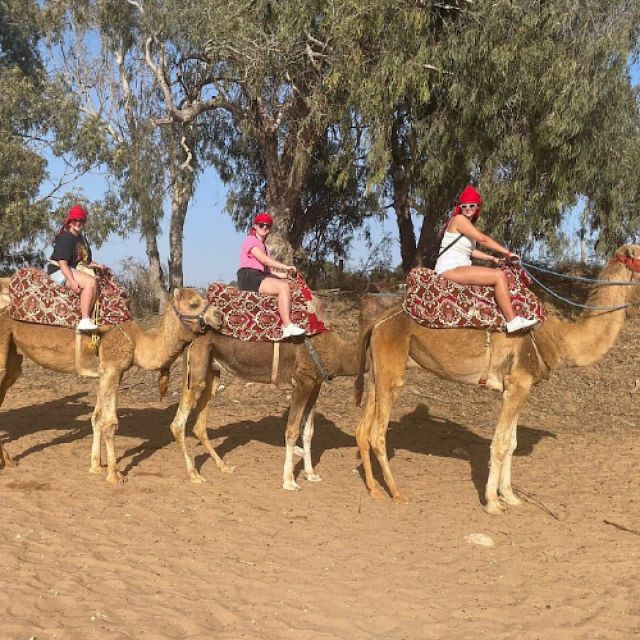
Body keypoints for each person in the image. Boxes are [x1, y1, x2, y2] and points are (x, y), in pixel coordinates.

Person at [434, 185, 538, 334]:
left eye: (472, 205)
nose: (468, 208)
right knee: (498, 276)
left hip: (460, 266)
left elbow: (470, 251)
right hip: (450, 268)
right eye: (464, 206)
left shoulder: (466, 224)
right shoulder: (459, 219)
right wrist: (507, 252)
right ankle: (512, 321)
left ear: (477, 207)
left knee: (499, 272)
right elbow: (483, 239)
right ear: (460, 208)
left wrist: (492, 258)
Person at [237, 212, 306, 338]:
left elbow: (268, 270)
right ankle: (287, 325)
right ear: (255, 226)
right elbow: (264, 260)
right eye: (261, 225)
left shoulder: (264, 247)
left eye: (267, 226)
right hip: (249, 276)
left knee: (287, 284)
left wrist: (286, 275)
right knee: (282, 287)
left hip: (260, 275)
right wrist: (286, 267)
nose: (264, 228)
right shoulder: (250, 240)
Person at [47, 204, 105, 332]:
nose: (78, 223)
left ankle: (86, 317)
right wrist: (73, 282)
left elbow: (83, 260)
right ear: (70, 222)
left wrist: (97, 265)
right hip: (59, 271)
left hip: (72, 269)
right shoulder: (65, 238)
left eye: (81, 220)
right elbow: (62, 263)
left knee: (95, 282)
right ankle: (84, 320)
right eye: (76, 220)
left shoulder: (81, 239)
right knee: (90, 282)